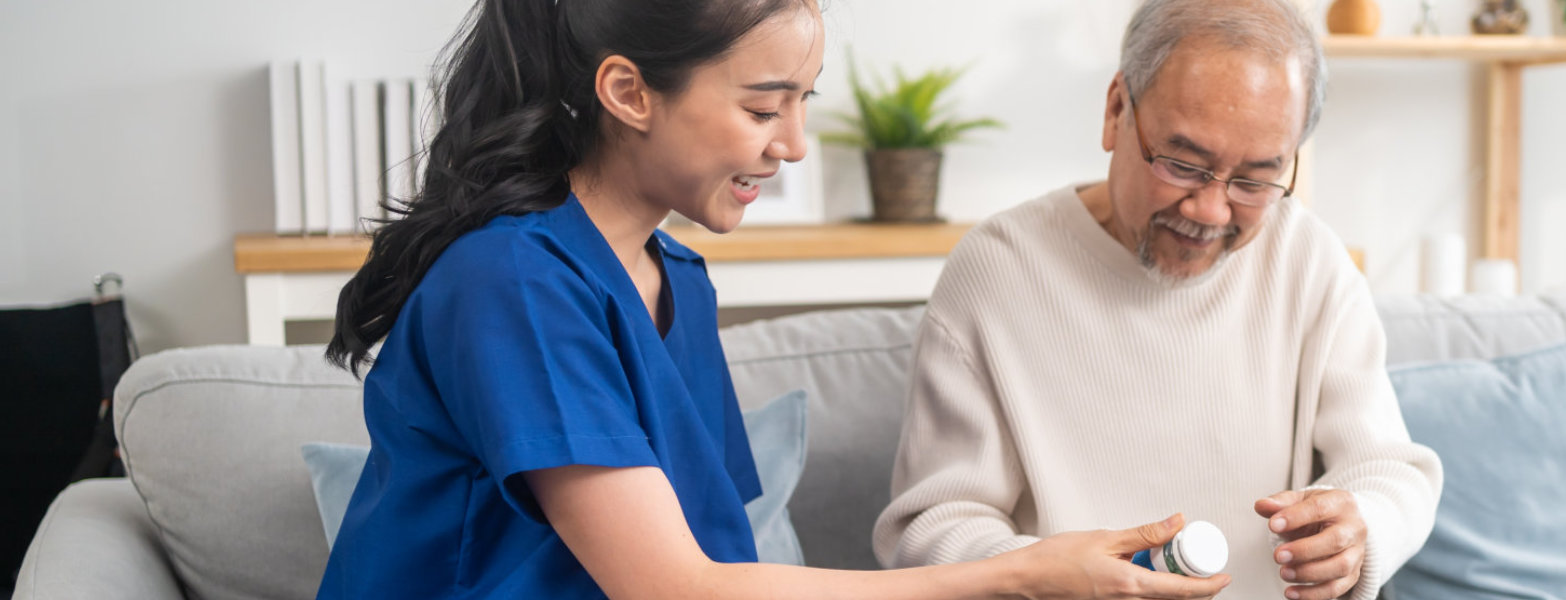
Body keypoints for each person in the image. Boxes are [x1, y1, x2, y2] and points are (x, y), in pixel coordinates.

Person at [315, 0, 1232, 598]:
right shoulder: (511, 283)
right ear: (629, 92)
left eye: (804, 102)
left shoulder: (678, 282)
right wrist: (1017, 575)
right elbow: (670, 586)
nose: (794, 144)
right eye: (764, 108)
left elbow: (726, 565)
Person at [872, 1, 1444, 599]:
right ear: (1116, 109)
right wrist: (1046, 576)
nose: (1210, 210)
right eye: (1182, 164)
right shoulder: (998, 270)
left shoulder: (1306, 260)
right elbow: (929, 526)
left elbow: (1391, 470)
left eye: (1254, 180)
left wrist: (1359, 532)